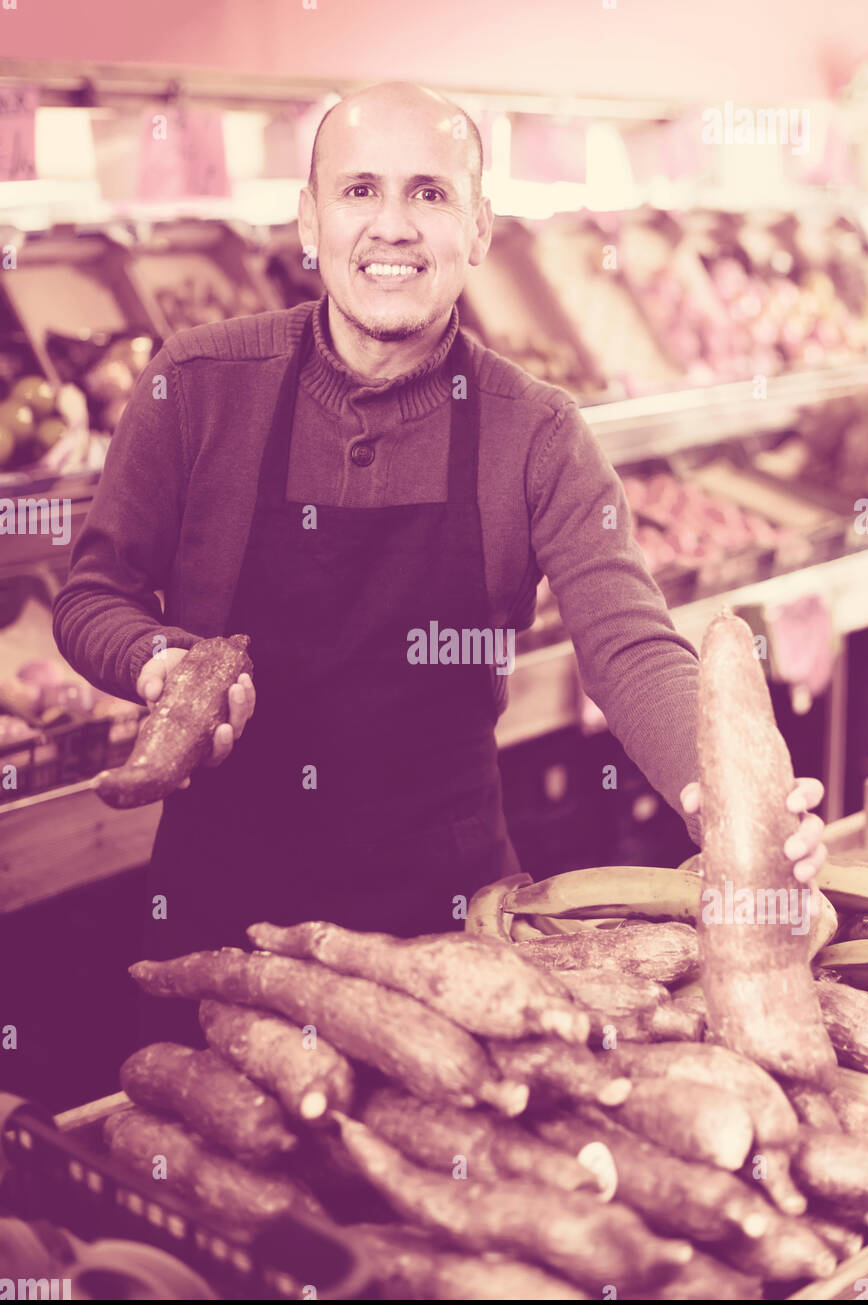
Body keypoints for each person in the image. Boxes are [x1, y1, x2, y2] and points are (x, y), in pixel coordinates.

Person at [52, 82, 826, 1044]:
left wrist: (716, 786)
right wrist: (160, 664)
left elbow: (630, 646)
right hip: (223, 909)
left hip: (452, 925)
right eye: (359, 190)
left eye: (430, 194)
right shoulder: (199, 383)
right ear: (309, 218)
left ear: (479, 226)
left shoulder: (537, 430)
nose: (392, 227)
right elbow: (94, 595)